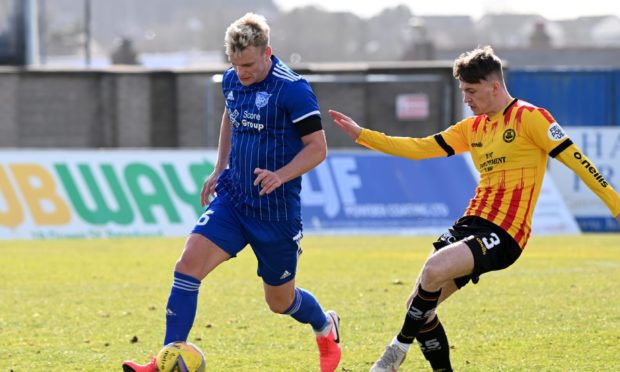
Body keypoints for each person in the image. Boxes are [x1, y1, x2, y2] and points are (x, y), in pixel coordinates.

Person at [329, 46, 620, 371]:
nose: (466, 98)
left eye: (471, 90)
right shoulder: (473, 128)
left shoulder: (531, 118)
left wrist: (616, 206)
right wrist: (363, 135)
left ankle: (393, 354)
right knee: (421, 308)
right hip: (470, 224)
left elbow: (578, 162)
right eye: (463, 91)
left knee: (433, 270)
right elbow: (420, 148)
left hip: (507, 233)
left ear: (494, 86)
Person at [123, 13, 341, 372]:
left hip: (275, 212)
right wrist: (220, 166)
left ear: (268, 52)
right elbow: (231, 115)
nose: (242, 72)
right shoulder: (232, 80)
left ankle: (324, 325)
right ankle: (167, 360)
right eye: (235, 64)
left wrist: (280, 175)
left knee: (280, 301)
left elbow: (317, 148)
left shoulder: (293, 89)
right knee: (187, 265)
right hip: (235, 198)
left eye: (250, 64)